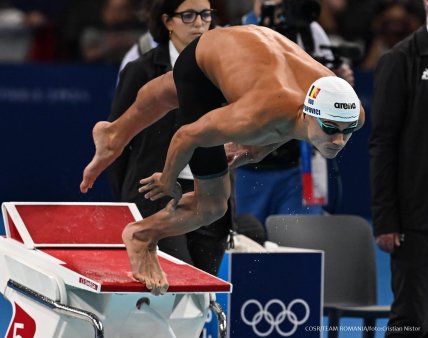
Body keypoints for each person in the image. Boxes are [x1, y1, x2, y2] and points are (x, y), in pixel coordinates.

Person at [80, 24, 365, 295]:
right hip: (204, 60)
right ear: (309, 113)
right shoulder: (259, 115)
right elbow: (186, 136)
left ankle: (113, 134)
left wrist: (255, 150)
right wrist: (168, 179)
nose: (338, 140)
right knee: (213, 206)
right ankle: (141, 236)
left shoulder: (353, 113)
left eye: (347, 131)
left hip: (247, 45)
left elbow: (292, 125)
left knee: (167, 92)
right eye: (330, 129)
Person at [108, 0, 230, 277]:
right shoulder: (141, 70)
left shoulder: (224, 69)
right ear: (167, 22)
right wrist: (126, 204)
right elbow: (117, 139)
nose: (199, 23)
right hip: (157, 195)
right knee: (173, 285)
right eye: (188, 15)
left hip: (210, 195)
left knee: (203, 293)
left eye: (205, 14)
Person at [369, 0, 428, 335]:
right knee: (412, 323)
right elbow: (383, 143)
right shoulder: (400, 60)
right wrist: (386, 218)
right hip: (416, 223)